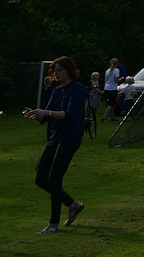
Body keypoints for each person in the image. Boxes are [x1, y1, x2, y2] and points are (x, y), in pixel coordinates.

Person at [23, 56, 87, 234]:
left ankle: (53, 224)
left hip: (70, 138)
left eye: (59, 70)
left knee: (54, 179)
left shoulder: (77, 89)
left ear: (68, 70)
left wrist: (46, 112)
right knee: (41, 179)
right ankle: (73, 204)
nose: (56, 73)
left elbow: (68, 114)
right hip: (55, 136)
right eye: (54, 71)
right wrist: (36, 114)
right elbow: (46, 117)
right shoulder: (57, 91)